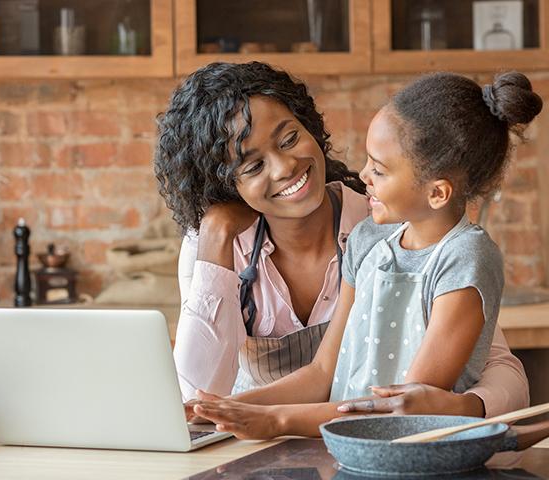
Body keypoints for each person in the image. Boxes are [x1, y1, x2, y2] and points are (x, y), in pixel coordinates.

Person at [154, 62, 529, 423]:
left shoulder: (385, 225)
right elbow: (193, 397)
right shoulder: (214, 248)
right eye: (253, 166)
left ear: (309, 127)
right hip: (258, 439)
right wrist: (216, 236)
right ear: (224, 185)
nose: (284, 168)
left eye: (289, 139)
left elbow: (495, 366)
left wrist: (461, 407)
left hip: (359, 437)